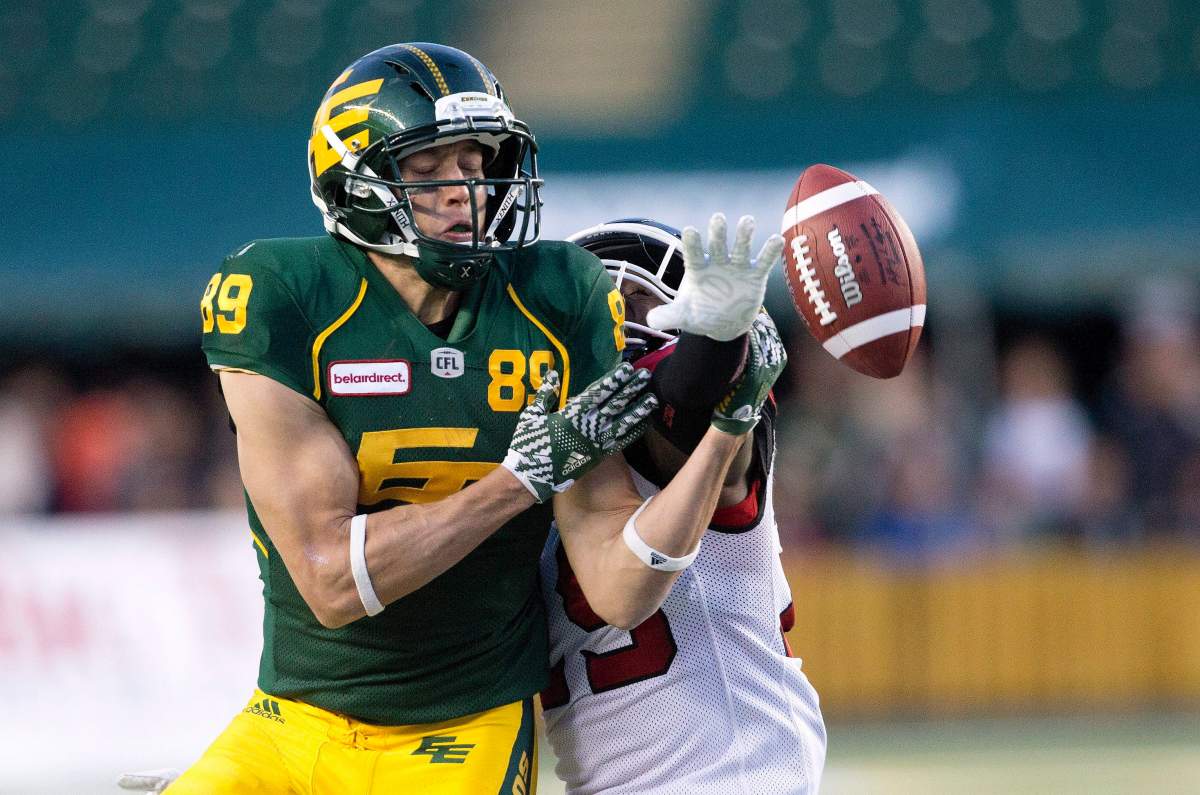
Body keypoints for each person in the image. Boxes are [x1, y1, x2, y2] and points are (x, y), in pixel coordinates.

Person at [123, 44, 782, 794]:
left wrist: (728, 421)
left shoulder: (558, 293)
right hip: (290, 720)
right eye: (429, 172)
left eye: (474, 166)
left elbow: (618, 585)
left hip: (464, 726)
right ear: (356, 182)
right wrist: (523, 476)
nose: (465, 193)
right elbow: (335, 581)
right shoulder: (282, 295)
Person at [539, 218, 827, 794]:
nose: (616, 321)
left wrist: (717, 342)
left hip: (738, 776)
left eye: (637, 300)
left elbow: (686, 403)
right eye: (600, 306)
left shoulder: (683, 433)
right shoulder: (531, 452)